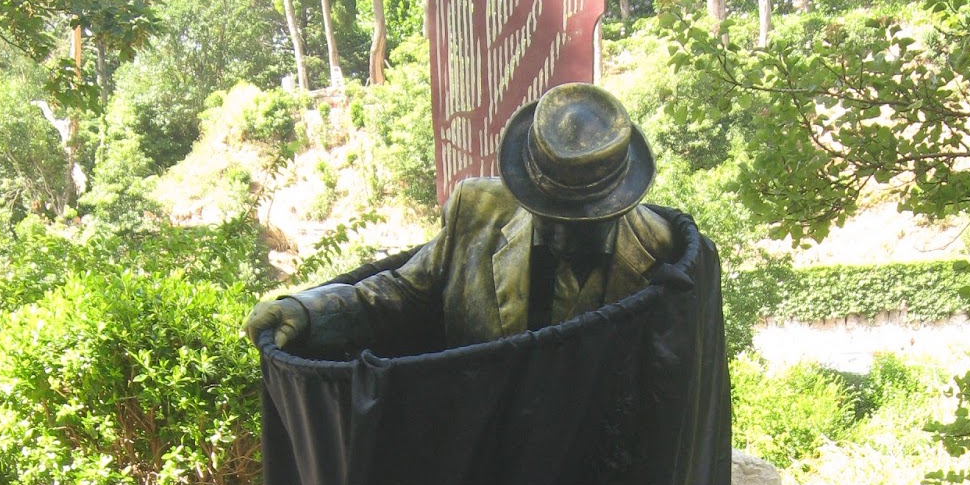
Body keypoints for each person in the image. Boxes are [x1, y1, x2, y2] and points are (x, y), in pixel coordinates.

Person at [243, 82, 677, 359]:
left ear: (617, 202)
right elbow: (399, 293)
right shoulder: (477, 213)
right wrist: (308, 309)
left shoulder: (663, 257)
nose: (562, 236)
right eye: (549, 215)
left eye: (581, 222)